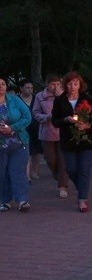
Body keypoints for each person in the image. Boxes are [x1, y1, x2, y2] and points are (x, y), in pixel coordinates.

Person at [51, 72, 92, 213]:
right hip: (68, 140)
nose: (72, 86)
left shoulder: (88, 99)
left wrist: (87, 125)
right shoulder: (59, 101)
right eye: (70, 83)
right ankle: (82, 188)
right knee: (71, 169)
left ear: (80, 84)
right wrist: (65, 119)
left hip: (87, 141)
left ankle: (82, 199)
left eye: (75, 83)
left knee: (84, 170)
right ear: (65, 84)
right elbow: (55, 121)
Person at [32, 74, 69, 198]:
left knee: (62, 160)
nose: (55, 87)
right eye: (53, 84)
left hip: (62, 132)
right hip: (46, 132)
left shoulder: (65, 95)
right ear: (47, 84)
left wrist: (61, 97)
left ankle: (62, 186)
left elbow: (70, 110)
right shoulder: (39, 97)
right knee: (50, 160)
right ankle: (58, 176)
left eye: (58, 84)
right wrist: (45, 117)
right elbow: (35, 113)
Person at [0, 77, 32, 212]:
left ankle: (22, 200)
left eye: (3, 84)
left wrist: (12, 128)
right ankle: (5, 200)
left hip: (18, 142)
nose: (1, 86)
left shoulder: (14, 100)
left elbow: (27, 117)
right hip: (1, 146)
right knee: (2, 173)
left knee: (17, 171)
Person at [18, 80, 42, 181]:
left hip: (36, 128)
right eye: (27, 87)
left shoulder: (36, 99)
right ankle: (26, 175)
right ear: (21, 88)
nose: (30, 90)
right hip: (23, 129)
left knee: (37, 153)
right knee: (27, 153)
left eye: (31, 88)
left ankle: (35, 171)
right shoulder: (17, 99)